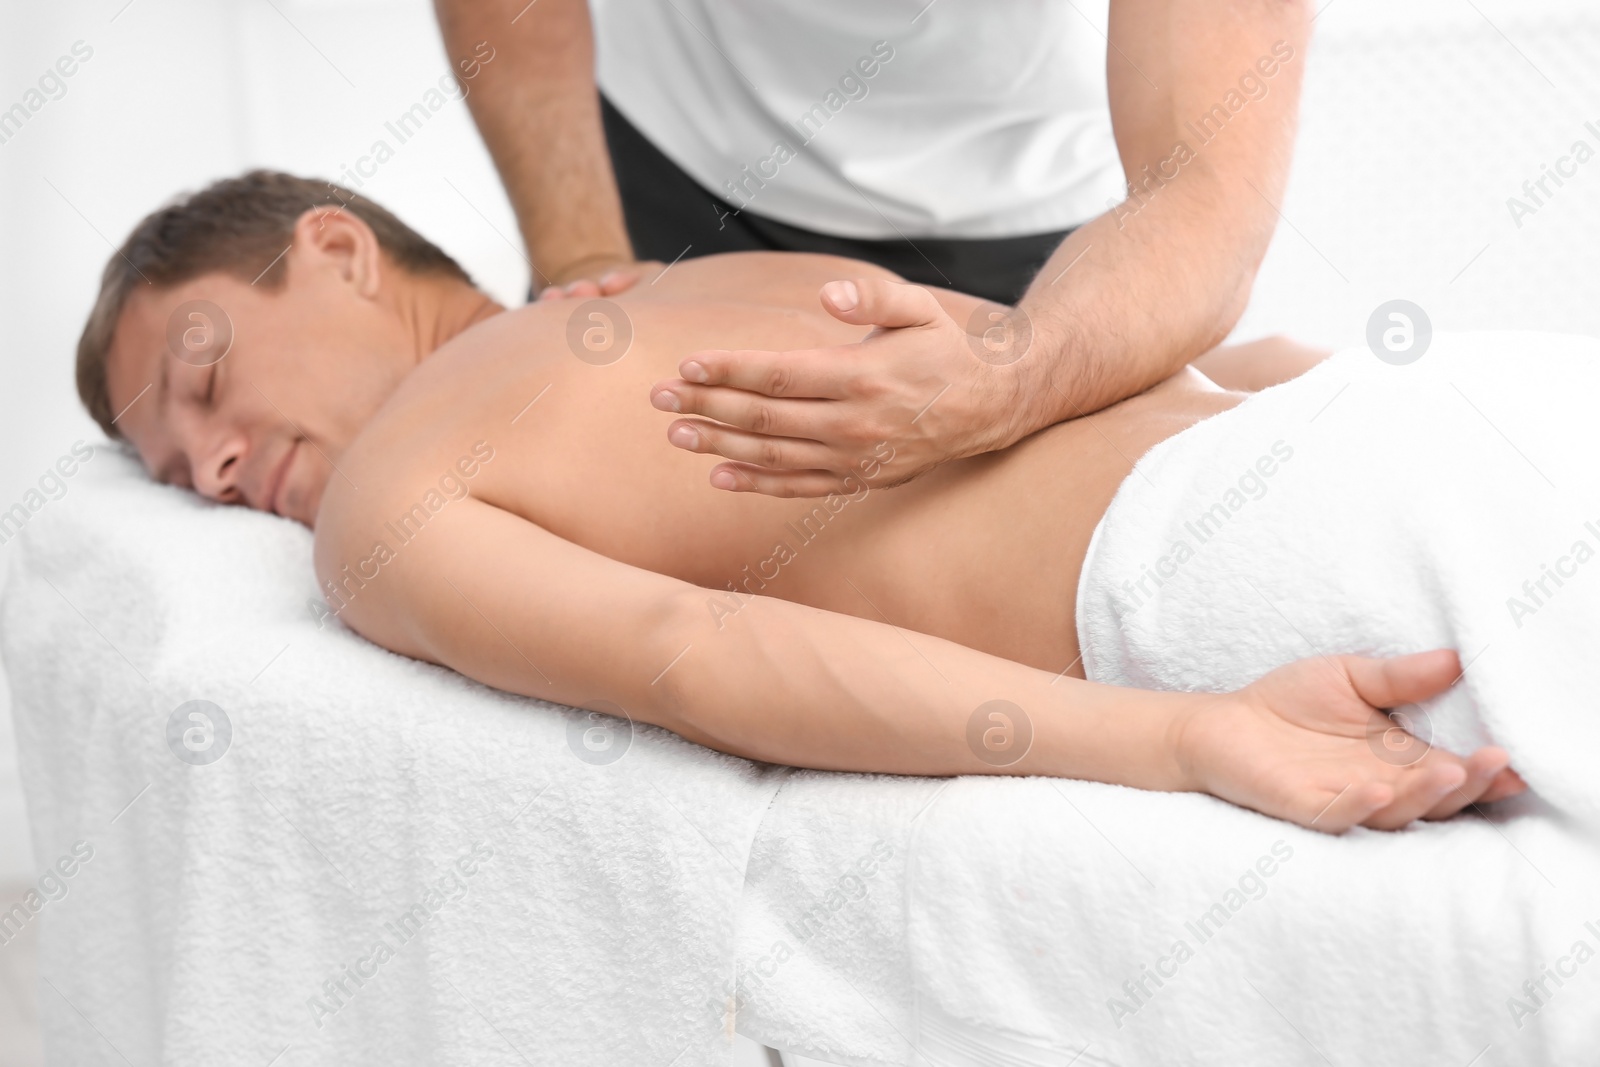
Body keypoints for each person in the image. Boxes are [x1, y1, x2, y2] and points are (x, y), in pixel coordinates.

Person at [77, 172, 1524, 833]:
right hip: (1416, 425)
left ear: (335, 248)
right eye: (171, 466)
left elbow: (700, 656)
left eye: (199, 376)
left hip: (1266, 539)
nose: (208, 462)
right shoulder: (685, 288)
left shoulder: (390, 493)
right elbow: (1216, 359)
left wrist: (1191, 734)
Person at [434, 0, 1314, 498]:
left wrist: (1017, 379)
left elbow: (1207, 194)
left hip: (1018, 218)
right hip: (665, 148)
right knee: (603, 489)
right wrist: (583, 255)